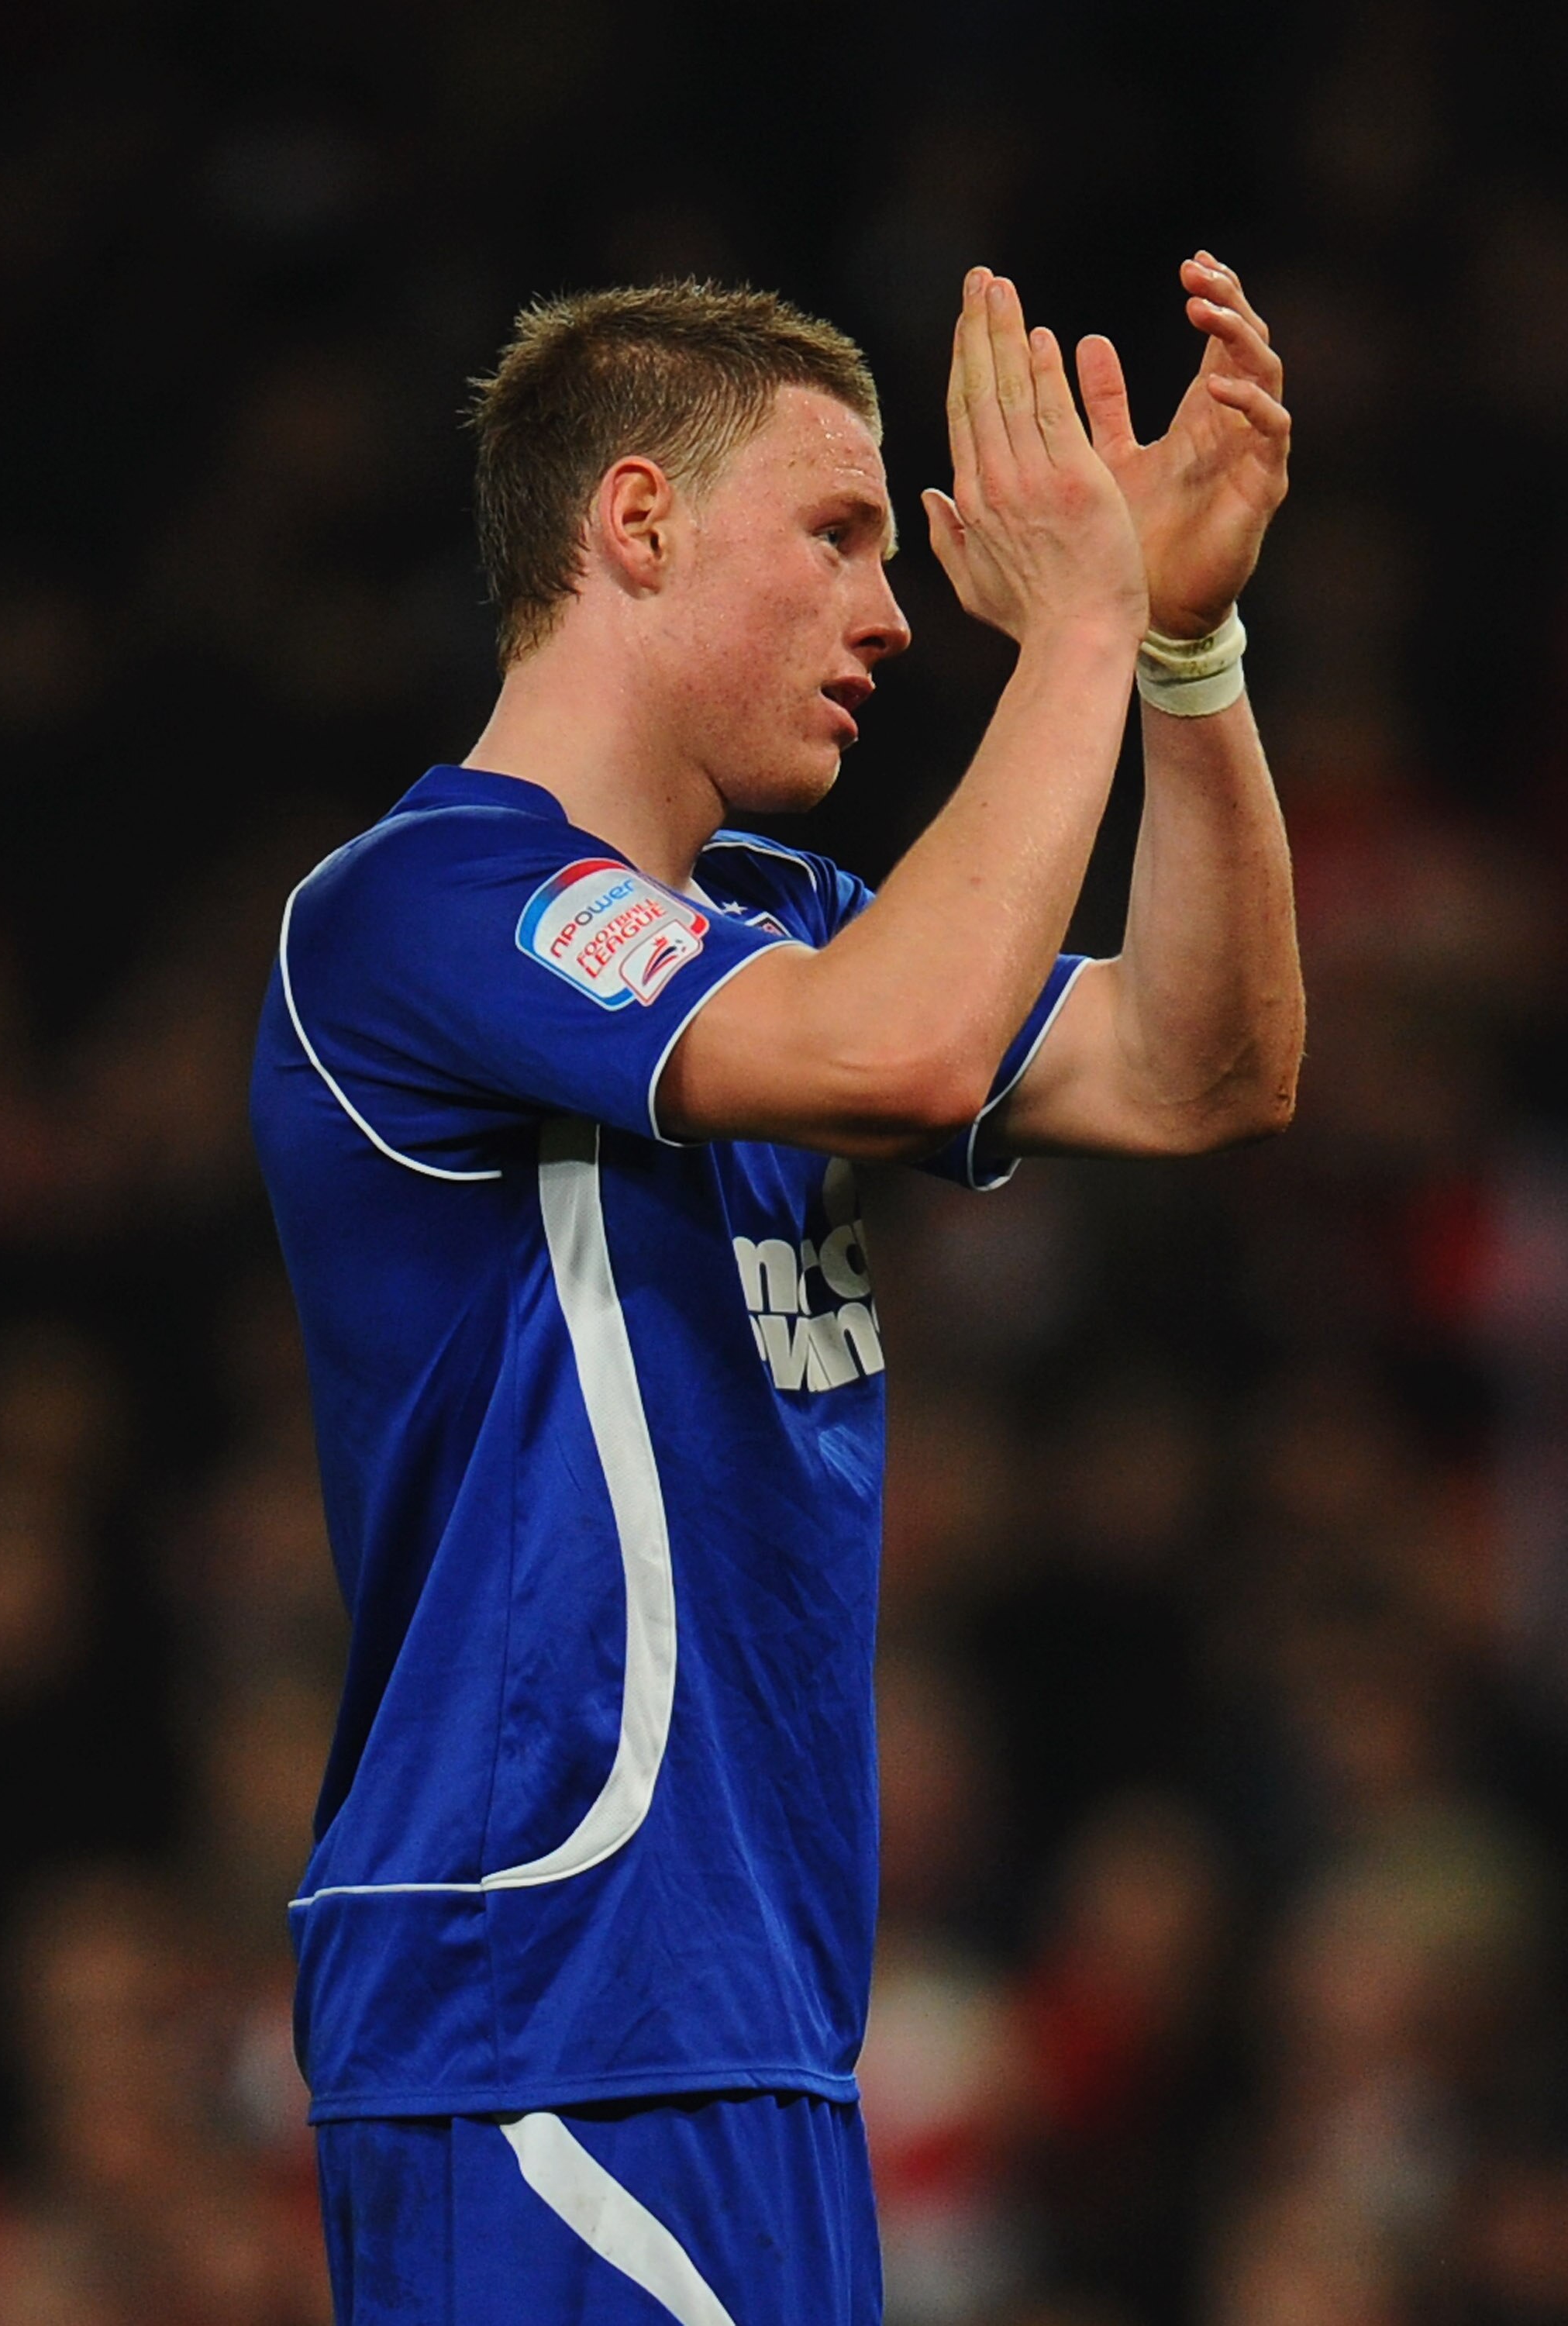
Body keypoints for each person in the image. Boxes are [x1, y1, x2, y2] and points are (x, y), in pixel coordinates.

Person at [250, 260, 1301, 2324]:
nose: (894, 608)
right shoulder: (418, 909)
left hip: (748, 2024)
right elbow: (894, 1054)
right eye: (833, 533)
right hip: (539, 2014)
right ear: (632, 524)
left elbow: (1207, 1069)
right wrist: (1078, 625)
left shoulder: (778, 933)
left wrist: (1179, 649)